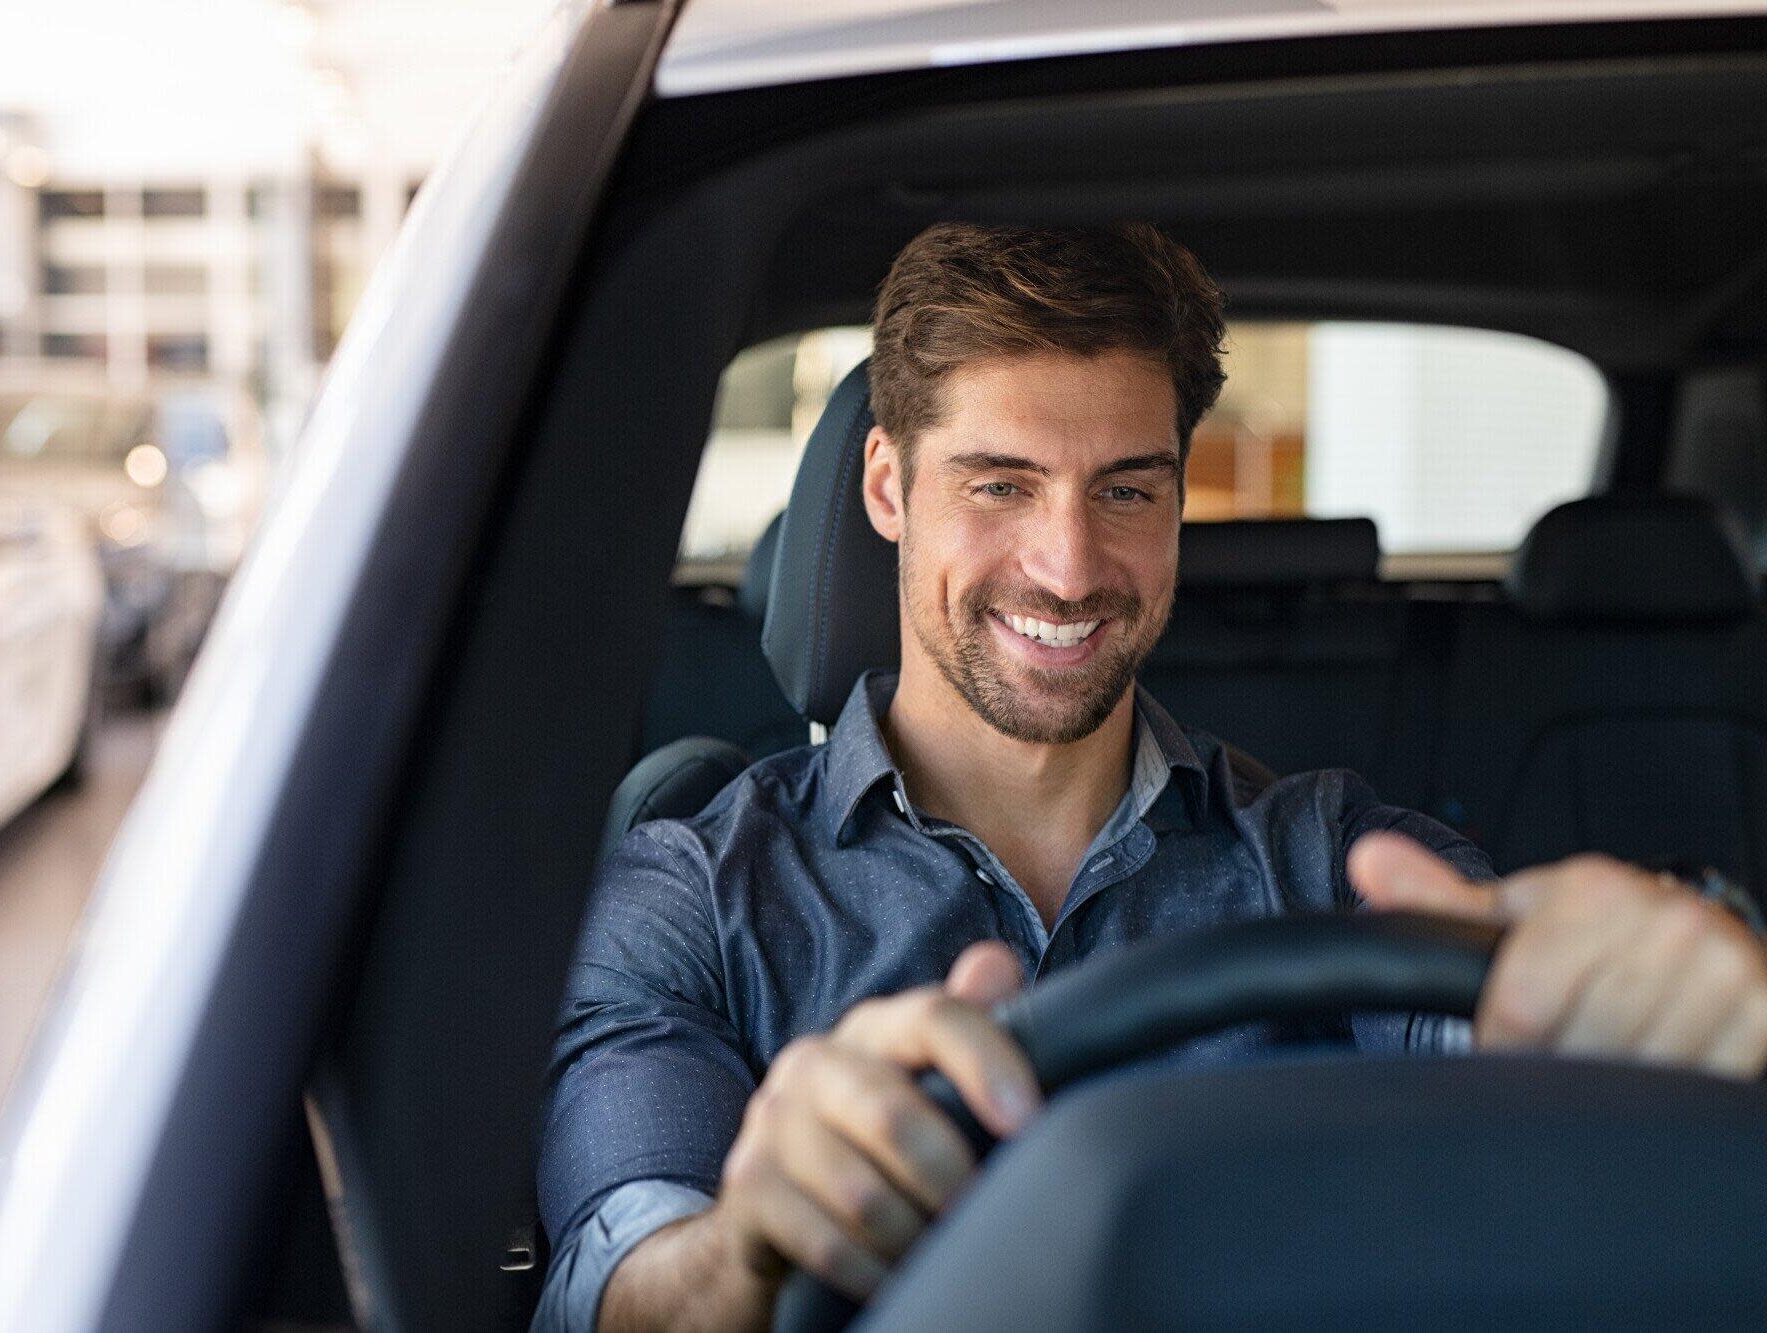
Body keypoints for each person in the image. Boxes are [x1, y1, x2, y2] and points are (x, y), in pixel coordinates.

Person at [532, 223, 1767, 1332]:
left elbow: (1515, 1040)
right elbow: (625, 1280)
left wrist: (1650, 1021)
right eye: (1000, 485)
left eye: (1125, 488)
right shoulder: (688, 892)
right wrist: (749, 1239)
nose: (1069, 567)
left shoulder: (1331, 859)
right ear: (886, 488)